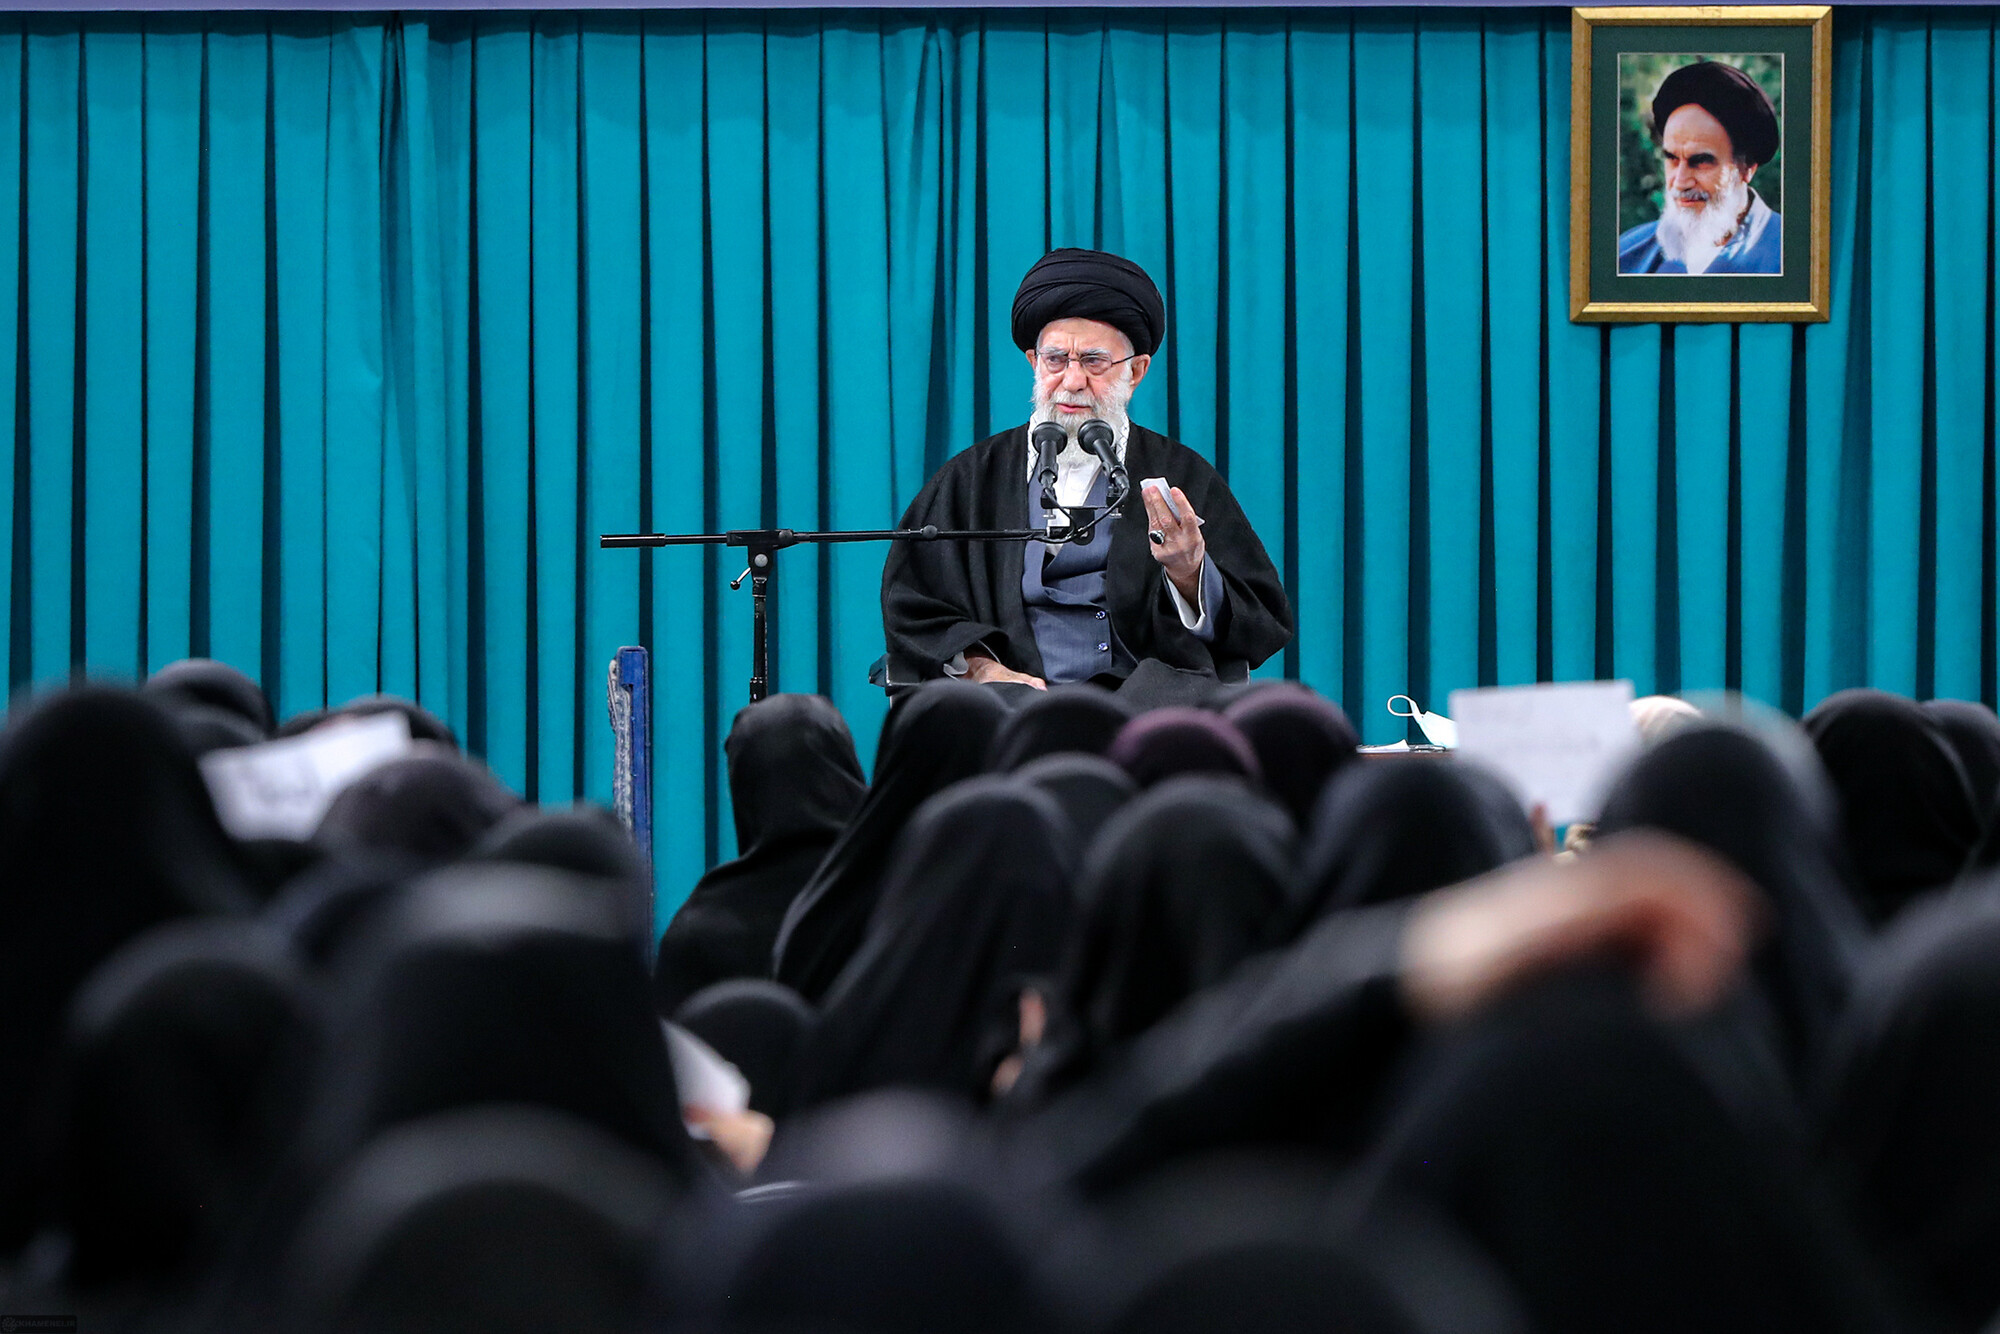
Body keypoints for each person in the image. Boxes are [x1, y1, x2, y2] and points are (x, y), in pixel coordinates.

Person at [880, 248, 1292, 708]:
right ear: (1034, 362)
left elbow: (1259, 621)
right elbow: (913, 603)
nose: (1072, 381)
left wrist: (1190, 571)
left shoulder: (1182, 475)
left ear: (1136, 371)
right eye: (1056, 359)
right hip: (1012, 701)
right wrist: (981, 666)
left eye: (1094, 361)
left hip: (1142, 702)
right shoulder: (973, 477)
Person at [1617, 60, 1783, 276]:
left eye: (1701, 161)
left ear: (1746, 167)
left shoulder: (1795, 257)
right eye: (1672, 159)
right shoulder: (1626, 254)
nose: (1680, 182)